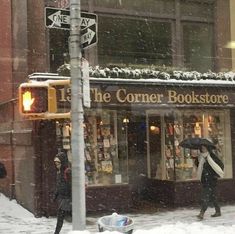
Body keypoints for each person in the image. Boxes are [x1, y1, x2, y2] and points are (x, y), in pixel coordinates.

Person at [195, 144, 224, 220]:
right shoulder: (201, 157)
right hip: (205, 180)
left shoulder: (212, 156)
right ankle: (218, 211)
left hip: (212, 180)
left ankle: (202, 213)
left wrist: (216, 175)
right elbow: (198, 166)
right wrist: (197, 159)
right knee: (213, 197)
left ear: (207, 148)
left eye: (204, 148)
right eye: (202, 148)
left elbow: (220, 165)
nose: (203, 149)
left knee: (206, 197)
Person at [53, 152, 72, 234]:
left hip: (67, 198)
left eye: (58, 163)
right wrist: (55, 195)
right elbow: (59, 185)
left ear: (63, 162)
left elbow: (72, 185)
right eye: (55, 163)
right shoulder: (59, 172)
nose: (56, 164)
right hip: (62, 198)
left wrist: (71, 198)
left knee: (61, 216)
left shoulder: (67, 172)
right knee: (61, 216)